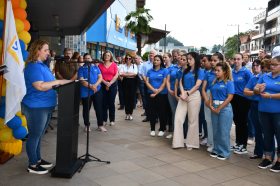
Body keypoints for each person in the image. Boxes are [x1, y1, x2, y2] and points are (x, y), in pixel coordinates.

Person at [22, 39, 71, 174]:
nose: (48, 53)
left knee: (39, 135)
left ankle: (37, 159)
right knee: (34, 135)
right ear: (37, 51)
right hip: (36, 107)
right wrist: (60, 81)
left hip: (46, 105)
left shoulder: (42, 66)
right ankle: (32, 165)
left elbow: (50, 84)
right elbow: (40, 86)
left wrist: (62, 83)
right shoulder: (33, 66)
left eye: (48, 50)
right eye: (45, 50)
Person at [254, 46, 280, 172]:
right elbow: (254, 89)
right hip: (263, 110)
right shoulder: (265, 76)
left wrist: (270, 95)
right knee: (267, 135)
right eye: (271, 64)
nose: (272, 67)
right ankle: (268, 158)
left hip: (278, 112)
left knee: (279, 136)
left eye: (275, 65)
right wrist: (258, 89)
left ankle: (279, 161)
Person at [172, 52, 205, 150]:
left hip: (194, 95)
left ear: (196, 59)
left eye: (190, 59)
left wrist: (188, 93)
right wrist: (182, 93)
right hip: (184, 94)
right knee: (178, 118)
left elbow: (198, 85)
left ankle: (192, 143)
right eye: (187, 59)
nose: (188, 61)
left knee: (192, 120)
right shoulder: (185, 70)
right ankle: (177, 142)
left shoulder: (200, 71)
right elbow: (180, 83)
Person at [209, 62, 234, 160]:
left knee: (223, 131)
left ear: (224, 71)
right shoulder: (214, 82)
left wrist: (219, 108)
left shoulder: (229, 82)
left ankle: (224, 152)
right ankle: (216, 149)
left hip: (224, 108)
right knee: (215, 130)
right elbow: (211, 94)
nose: (216, 72)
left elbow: (230, 97)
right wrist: (211, 105)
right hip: (214, 106)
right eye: (215, 70)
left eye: (218, 70)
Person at [78, 53, 107, 132]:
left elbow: (100, 77)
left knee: (98, 108)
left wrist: (95, 85)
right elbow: (82, 80)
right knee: (86, 109)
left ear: (91, 59)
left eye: (89, 58)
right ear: (84, 59)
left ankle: (100, 125)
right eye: (86, 58)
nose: (87, 60)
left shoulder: (96, 67)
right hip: (86, 91)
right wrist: (91, 86)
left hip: (97, 90)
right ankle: (87, 125)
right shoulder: (81, 69)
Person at [231, 53, 252, 154]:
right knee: (237, 121)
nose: (236, 61)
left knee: (243, 122)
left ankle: (243, 145)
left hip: (244, 99)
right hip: (234, 98)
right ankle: (238, 142)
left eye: (238, 59)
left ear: (242, 60)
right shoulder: (231, 72)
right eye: (234, 59)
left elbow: (252, 84)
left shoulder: (246, 72)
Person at [202, 53, 223, 152]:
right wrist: (206, 100)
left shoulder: (225, 73)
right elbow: (203, 88)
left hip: (220, 98)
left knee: (219, 123)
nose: (212, 62)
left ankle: (219, 144)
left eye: (215, 60)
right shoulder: (208, 73)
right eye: (212, 60)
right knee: (209, 121)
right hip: (208, 96)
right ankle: (211, 142)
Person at [244, 59, 263, 159]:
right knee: (258, 130)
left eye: (258, 65)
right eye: (254, 65)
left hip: (266, 105)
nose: (255, 67)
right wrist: (255, 93)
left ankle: (270, 155)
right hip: (255, 104)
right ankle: (258, 152)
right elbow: (245, 91)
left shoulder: (265, 77)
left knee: (268, 131)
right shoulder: (253, 78)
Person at [145, 55, 169, 137]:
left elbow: (164, 83)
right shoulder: (149, 71)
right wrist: (153, 90)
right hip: (151, 94)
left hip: (162, 94)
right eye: (155, 60)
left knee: (162, 112)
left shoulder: (164, 71)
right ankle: (152, 129)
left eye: (158, 60)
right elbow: (147, 82)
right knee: (152, 112)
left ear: (161, 61)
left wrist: (157, 91)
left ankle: (162, 129)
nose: (155, 61)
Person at [98, 50, 119, 126]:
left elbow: (116, 75)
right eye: (105, 55)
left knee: (111, 102)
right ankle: (104, 119)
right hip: (103, 84)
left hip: (112, 84)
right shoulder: (100, 65)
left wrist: (110, 83)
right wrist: (105, 82)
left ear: (111, 57)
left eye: (108, 55)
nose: (106, 56)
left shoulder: (114, 65)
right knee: (104, 103)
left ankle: (112, 119)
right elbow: (99, 75)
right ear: (103, 56)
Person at [119, 53, 138, 120]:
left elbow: (135, 74)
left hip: (132, 82)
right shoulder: (122, 66)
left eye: (129, 58)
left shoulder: (134, 66)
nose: (128, 60)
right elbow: (121, 74)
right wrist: (129, 74)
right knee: (126, 97)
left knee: (131, 98)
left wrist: (126, 73)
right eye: (127, 58)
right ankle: (127, 114)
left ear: (131, 59)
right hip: (125, 82)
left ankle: (131, 113)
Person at [141, 49, 157, 122]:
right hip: (146, 85)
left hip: (156, 85)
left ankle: (155, 117)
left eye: (153, 53)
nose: (151, 55)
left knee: (155, 101)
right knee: (147, 101)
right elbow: (143, 74)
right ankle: (148, 116)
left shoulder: (158, 63)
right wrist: (146, 82)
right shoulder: (145, 64)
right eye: (150, 53)